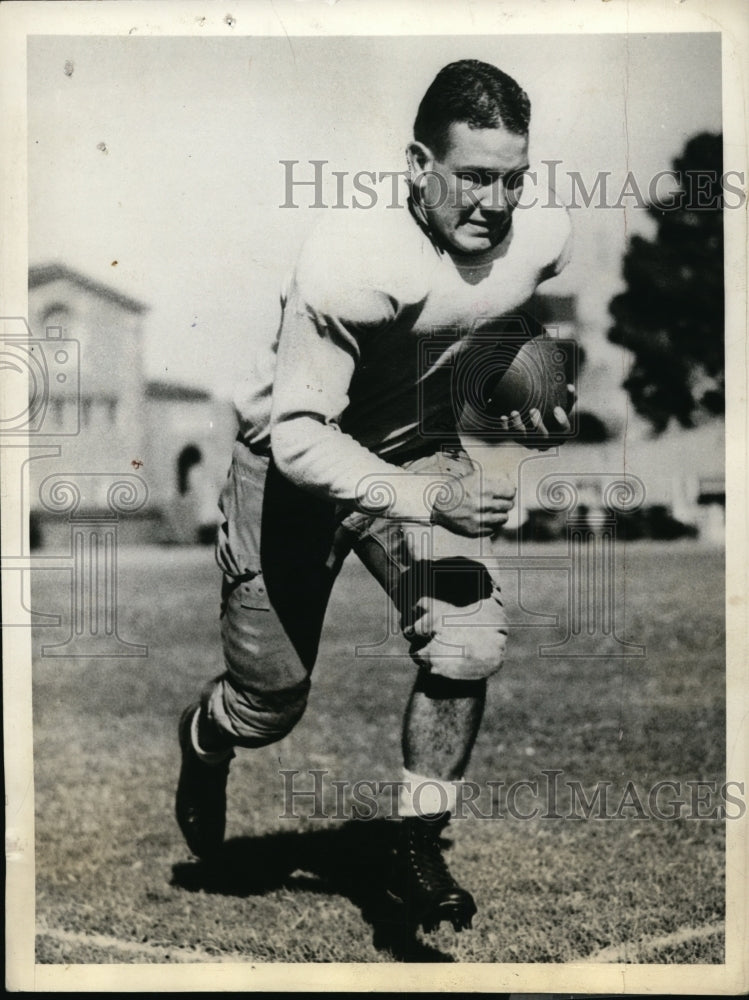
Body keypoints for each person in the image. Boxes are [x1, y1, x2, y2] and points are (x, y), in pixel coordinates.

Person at [176, 59, 573, 934]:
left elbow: (500, 320)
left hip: (414, 452)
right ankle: (206, 742)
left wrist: (529, 373)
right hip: (289, 471)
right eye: (472, 177)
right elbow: (301, 436)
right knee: (268, 704)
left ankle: (416, 837)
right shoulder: (350, 257)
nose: (495, 203)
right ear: (415, 164)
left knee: (468, 641)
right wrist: (430, 505)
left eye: (513, 179)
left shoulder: (540, 235)